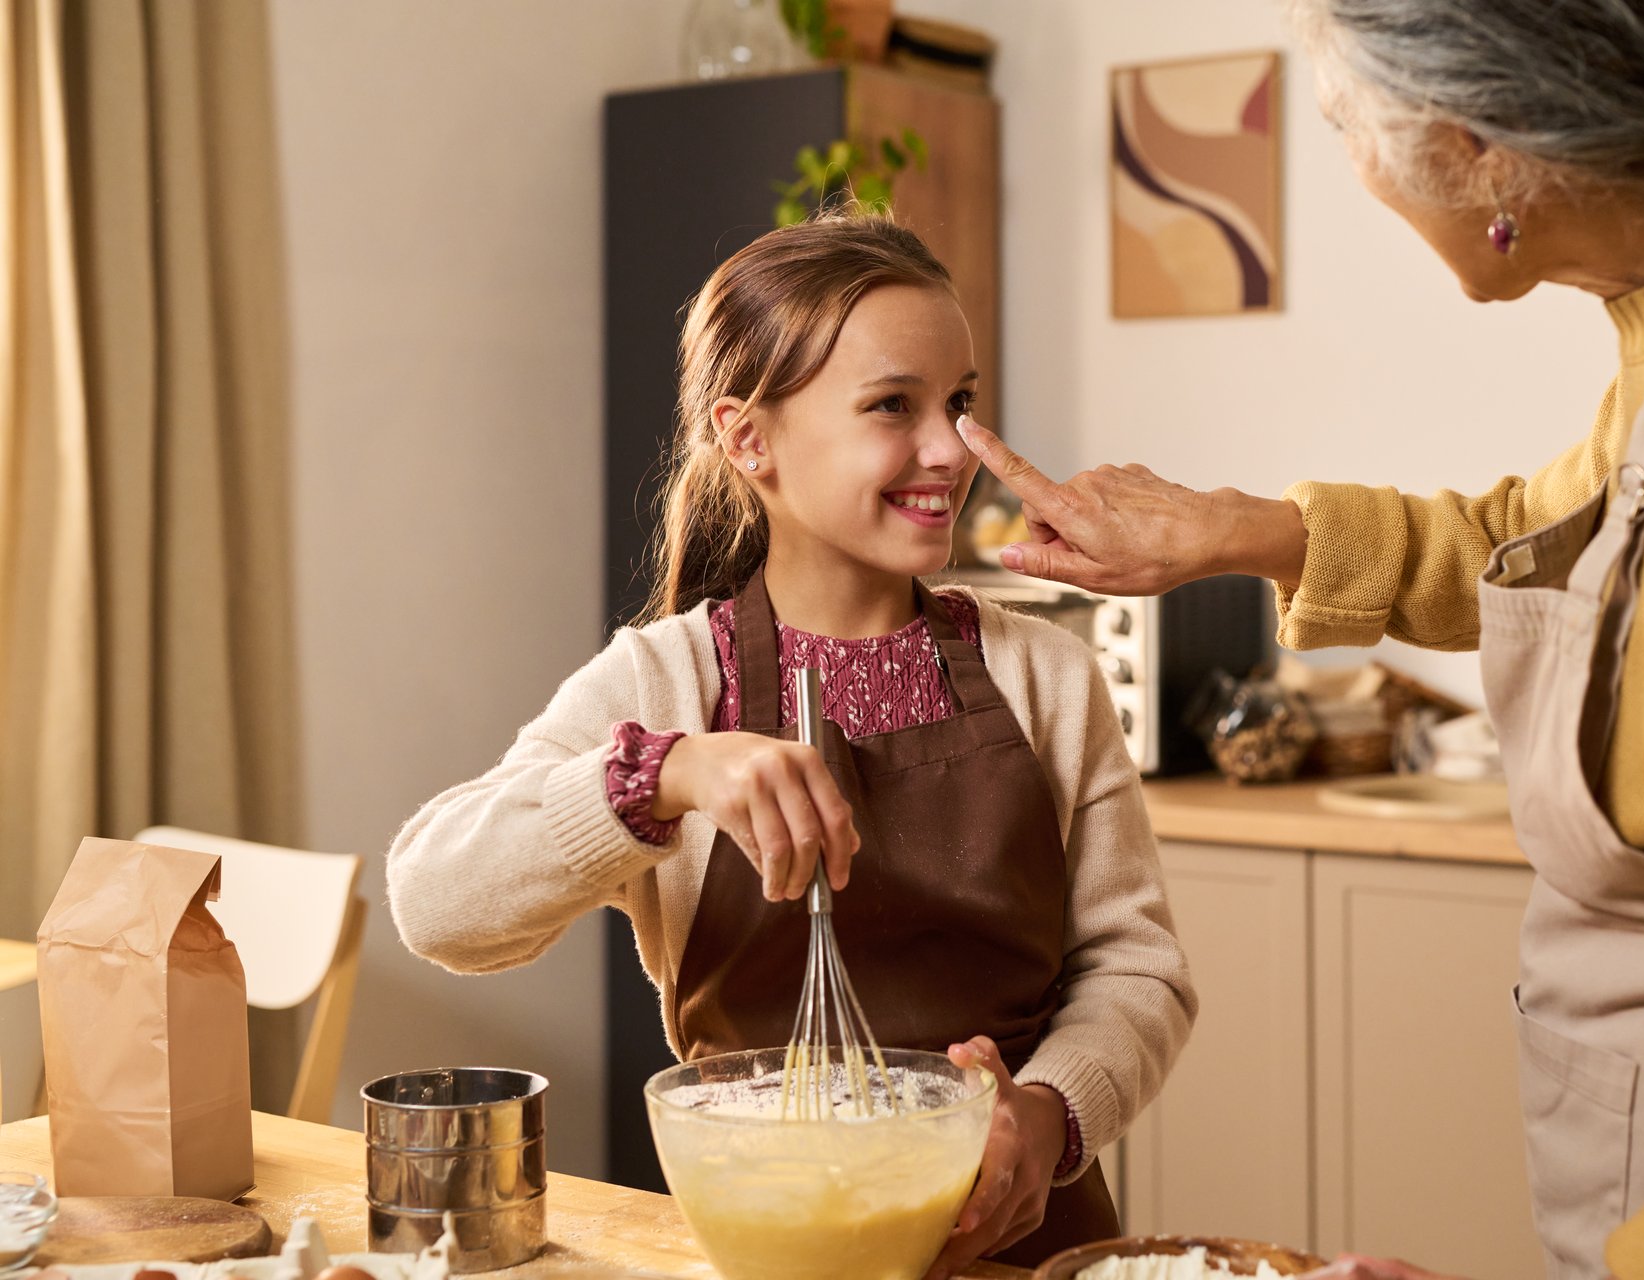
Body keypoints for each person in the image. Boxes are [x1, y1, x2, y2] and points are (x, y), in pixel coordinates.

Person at [953, 3, 1644, 1278]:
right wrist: (1233, 529)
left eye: (1350, 122)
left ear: (1479, 150)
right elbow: (1549, 537)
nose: (1352, 160)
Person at [385, 212, 1196, 1276]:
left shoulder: (1046, 676)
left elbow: (1138, 969)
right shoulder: (664, 684)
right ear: (748, 437)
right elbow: (434, 900)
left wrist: (1043, 1118)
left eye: (958, 402)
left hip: (1030, 1242)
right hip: (775, 1244)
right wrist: (663, 774)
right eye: (892, 406)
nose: (951, 449)